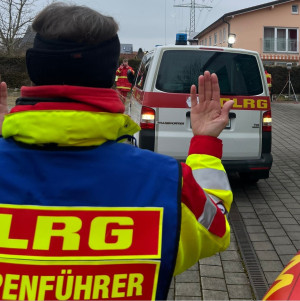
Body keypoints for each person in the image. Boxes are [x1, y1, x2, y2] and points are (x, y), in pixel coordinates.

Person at [0, 3, 234, 300]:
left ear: (33, 66)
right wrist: (205, 143)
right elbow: (216, 226)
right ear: (111, 71)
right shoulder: (167, 182)